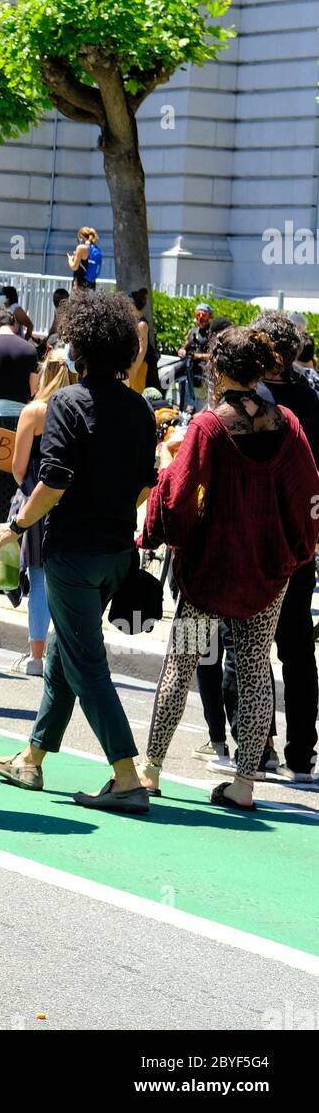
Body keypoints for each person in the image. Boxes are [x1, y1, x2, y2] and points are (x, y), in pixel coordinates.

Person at [0, 292, 157, 815]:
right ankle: (32, 758)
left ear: (79, 347)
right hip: (116, 555)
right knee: (65, 649)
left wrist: (14, 525)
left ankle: (125, 775)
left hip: (73, 553)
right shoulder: (139, 408)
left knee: (85, 661)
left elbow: (53, 480)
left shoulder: (67, 402)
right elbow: (144, 485)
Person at [138, 327, 319, 809]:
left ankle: (151, 769)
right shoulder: (289, 425)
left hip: (211, 572)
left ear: (217, 369)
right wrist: (298, 553)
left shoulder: (209, 426)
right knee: (258, 666)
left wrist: (156, 533)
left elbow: (176, 496)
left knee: (181, 661)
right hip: (267, 571)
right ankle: (244, 783)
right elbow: (308, 497)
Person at [248, 310, 319, 782]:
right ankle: (301, 750)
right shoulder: (313, 392)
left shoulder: (256, 399)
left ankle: (261, 745)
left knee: (252, 646)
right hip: (302, 534)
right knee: (296, 646)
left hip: (258, 533)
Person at [8, 347, 79, 677]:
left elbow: (18, 468)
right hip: (70, 500)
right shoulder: (78, 409)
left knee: (37, 580)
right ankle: (63, 653)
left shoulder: (34, 412)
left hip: (35, 499)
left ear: (44, 373)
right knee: (63, 581)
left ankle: (36, 657)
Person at [177, 303, 213, 410]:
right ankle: (181, 407)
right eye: (198, 315)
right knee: (173, 374)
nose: (200, 318)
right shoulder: (193, 331)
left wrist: (199, 356)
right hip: (190, 368)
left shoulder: (212, 333)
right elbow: (185, 346)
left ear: (210, 316)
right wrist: (182, 351)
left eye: (204, 315)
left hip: (204, 370)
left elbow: (213, 355)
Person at [127, 287, 159, 393]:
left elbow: (142, 349)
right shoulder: (134, 321)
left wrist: (135, 369)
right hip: (136, 363)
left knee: (139, 393)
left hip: (142, 364)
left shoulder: (142, 324)